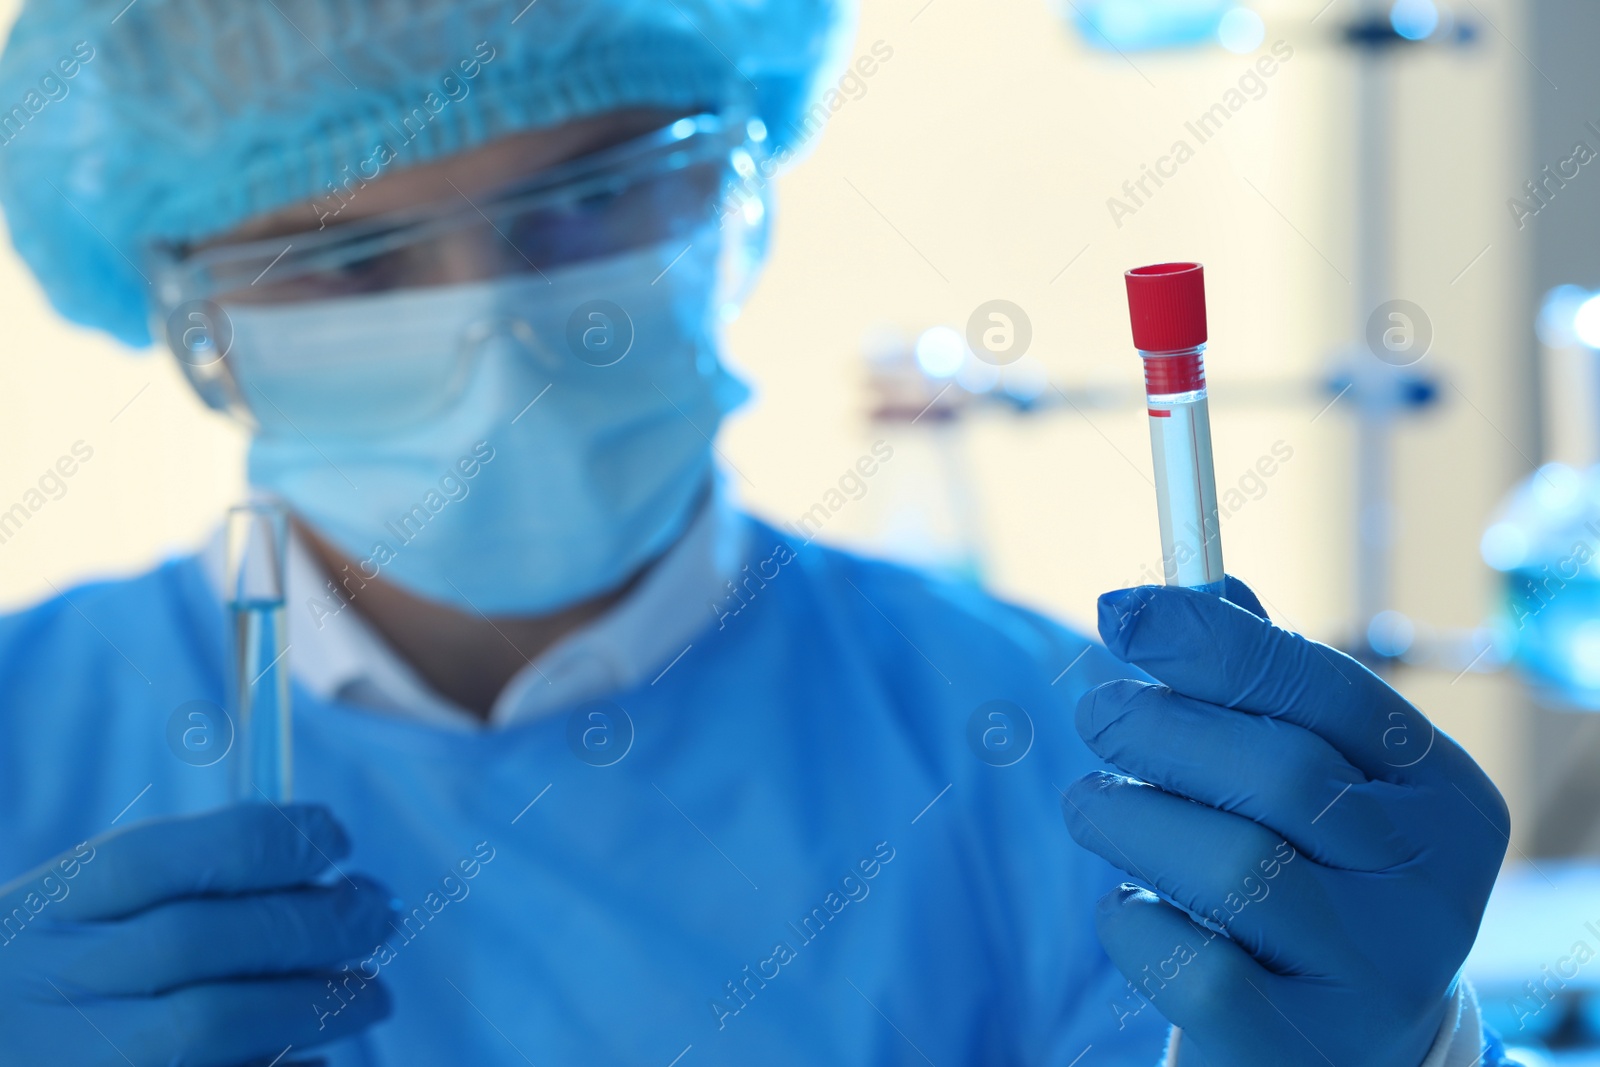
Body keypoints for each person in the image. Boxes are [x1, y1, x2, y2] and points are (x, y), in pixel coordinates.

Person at [0, 1, 1515, 1065]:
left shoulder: (1071, 772)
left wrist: (1415, 1056)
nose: (499, 336)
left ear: (732, 183)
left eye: (583, 202)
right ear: (187, 309)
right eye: (341, 258)